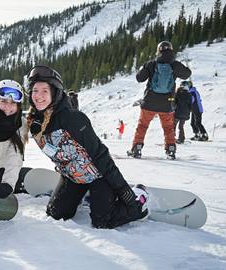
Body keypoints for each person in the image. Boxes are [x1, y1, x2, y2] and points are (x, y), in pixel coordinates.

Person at [25, 65, 148, 229]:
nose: (38, 96)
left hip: (99, 175)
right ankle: (88, 194)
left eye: (44, 91)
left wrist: (123, 190)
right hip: (73, 176)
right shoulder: (35, 121)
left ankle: (140, 197)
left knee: (102, 223)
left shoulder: (73, 119)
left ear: (55, 93)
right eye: (35, 91)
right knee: (57, 214)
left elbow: (101, 155)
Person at [127, 41, 191, 159]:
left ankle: (137, 148)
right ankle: (171, 149)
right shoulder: (175, 65)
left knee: (142, 126)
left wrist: (143, 67)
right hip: (167, 104)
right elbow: (187, 74)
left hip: (149, 103)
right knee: (168, 128)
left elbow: (139, 78)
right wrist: (184, 67)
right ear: (171, 50)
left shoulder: (152, 64)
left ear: (158, 50)